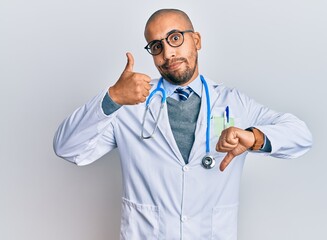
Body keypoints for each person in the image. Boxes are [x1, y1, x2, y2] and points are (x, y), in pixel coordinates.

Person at [53, 8, 312, 239]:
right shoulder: (130, 104)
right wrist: (112, 98)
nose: (168, 53)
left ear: (196, 40)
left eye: (175, 38)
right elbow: (67, 148)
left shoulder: (233, 102)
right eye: (156, 46)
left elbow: (301, 135)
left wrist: (253, 137)